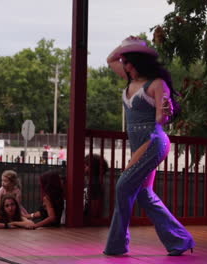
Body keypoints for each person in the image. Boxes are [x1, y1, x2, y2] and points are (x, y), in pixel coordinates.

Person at [103, 36, 195, 256]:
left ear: (134, 63)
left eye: (126, 61)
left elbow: (160, 120)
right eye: (123, 61)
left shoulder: (156, 84)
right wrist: (128, 44)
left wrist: (166, 110)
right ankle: (179, 240)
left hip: (153, 141)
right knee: (144, 193)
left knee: (123, 186)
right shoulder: (129, 78)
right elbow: (110, 59)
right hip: (139, 145)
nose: (122, 65)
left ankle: (116, 245)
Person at [83, 154, 108, 218]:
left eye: (86, 165)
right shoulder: (91, 181)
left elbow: (94, 207)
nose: (83, 166)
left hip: (90, 221)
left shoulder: (94, 183)